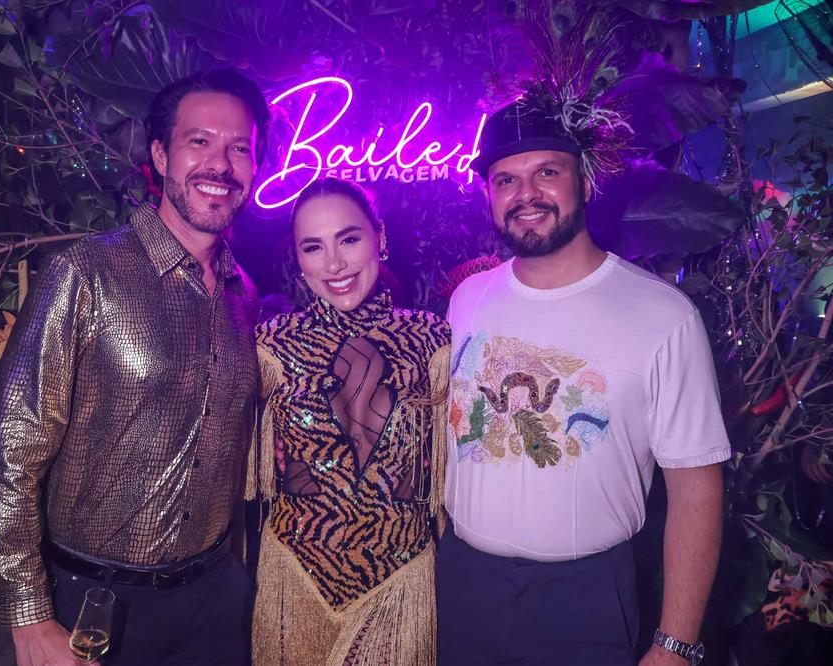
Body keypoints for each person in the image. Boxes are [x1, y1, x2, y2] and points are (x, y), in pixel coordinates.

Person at [0, 69, 269, 666]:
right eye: (200, 141)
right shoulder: (85, 272)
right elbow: (13, 447)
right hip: (92, 604)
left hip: (215, 602)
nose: (220, 164)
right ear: (161, 155)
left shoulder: (245, 295)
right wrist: (28, 614)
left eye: (239, 148)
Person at [438, 93, 731, 664]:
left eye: (547, 172)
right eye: (505, 180)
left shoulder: (663, 316)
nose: (526, 194)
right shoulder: (468, 298)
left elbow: (697, 489)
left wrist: (675, 645)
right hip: (462, 586)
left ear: (586, 180)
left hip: (585, 600)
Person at [247, 178, 450, 665]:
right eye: (313, 247)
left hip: (399, 584)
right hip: (295, 578)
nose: (334, 264)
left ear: (380, 236)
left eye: (349, 239)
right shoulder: (270, 345)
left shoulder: (433, 341)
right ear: (298, 259)